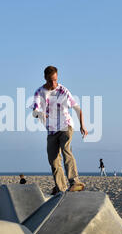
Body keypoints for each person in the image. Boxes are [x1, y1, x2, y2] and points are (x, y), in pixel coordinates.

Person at [32, 65, 87, 195]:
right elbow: (34, 112)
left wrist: (82, 125)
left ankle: (75, 182)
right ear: (45, 78)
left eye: (55, 80)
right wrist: (39, 114)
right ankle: (61, 188)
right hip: (51, 130)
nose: (54, 83)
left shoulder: (63, 90)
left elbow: (78, 108)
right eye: (51, 80)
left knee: (66, 150)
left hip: (65, 126)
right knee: (53, 160)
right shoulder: (39, 92)